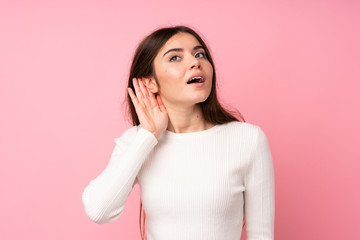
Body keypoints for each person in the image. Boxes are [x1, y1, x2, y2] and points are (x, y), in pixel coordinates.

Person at [81, 25, 275, 240]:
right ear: (150, 82)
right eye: (175, 58)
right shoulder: (137, 141)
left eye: (200, 54)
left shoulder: (248, 139)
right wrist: (149, 135)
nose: (195, 62)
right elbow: (98, 210)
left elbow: (261, 235)